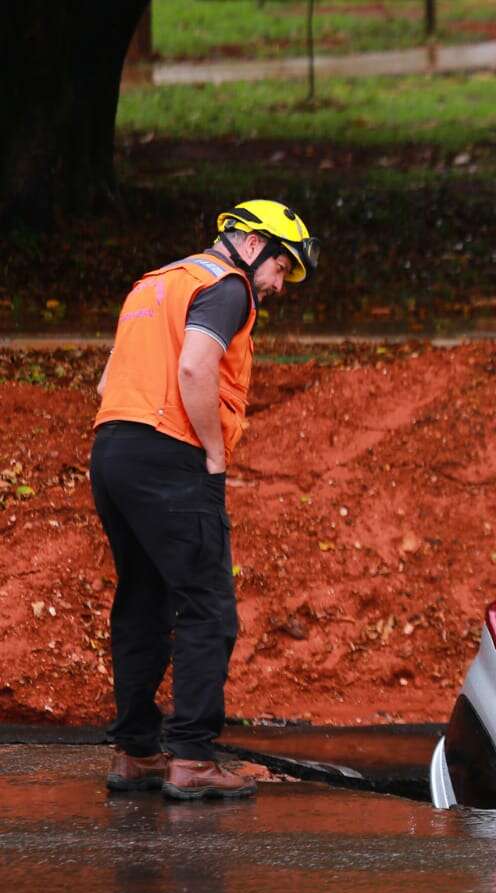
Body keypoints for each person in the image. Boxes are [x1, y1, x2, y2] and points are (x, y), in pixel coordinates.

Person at [92, 200, 319, 801]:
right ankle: (191, 759)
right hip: (170, 457)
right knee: (208, 608)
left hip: (112, 449)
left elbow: (104, 381)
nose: (277, 284)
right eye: (281, 266)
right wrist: (214, 453)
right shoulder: (227, 287)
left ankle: (135, 752)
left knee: (142, 599)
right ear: (251, 245)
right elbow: (195, 368)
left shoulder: (156, 284)